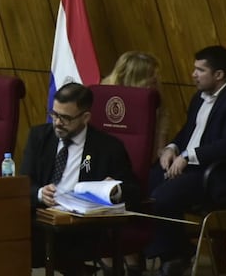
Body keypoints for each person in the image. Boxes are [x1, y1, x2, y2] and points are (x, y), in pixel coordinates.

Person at [146, 45, 226, 276]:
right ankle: (175, 252)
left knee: (162, 197)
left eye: (200, 70)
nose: (193, 74)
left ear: (218, 75)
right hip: (191, 168)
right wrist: (171, 148)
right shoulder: (198, 97)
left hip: (218, 174)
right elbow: (187, 133)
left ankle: (174, 256)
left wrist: (188, 156)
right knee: (144, 185)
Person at [20, 82, 141, 275]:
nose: (58, 122)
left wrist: (114, 189)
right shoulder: (39, 137)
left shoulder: (108, 147)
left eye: (65, 118)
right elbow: (23, 182)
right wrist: (41, 193)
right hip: (42, 219)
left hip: (81, 226)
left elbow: (134, 191)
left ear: (85, 117)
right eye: (54, 114)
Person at [100, 51, 169, 275]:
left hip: (140, 169)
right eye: (152, 75)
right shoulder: (103, 95)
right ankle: (111, 260)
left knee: (135, 190)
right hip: (107, 165)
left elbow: (158, 148)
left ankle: (132, 258)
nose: (157, 80)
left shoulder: (154, 101)